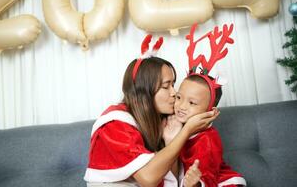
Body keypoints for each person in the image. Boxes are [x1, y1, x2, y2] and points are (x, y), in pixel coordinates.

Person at [84, 34, 219, 187]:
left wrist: (170, 141)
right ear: (145, 91)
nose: (174, 93)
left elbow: (170, 181)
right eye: (166, 86)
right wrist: (186, 131)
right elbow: (148, 178)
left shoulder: (163, 120)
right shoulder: (114, 123)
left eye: (173, 84)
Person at [172, 23, 246, 187]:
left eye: (192, 102)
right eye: (178, 97)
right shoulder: (173, 122)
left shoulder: (206, 140)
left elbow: (208, 175)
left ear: (210, 112)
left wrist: (196, 183)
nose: (181, 106)